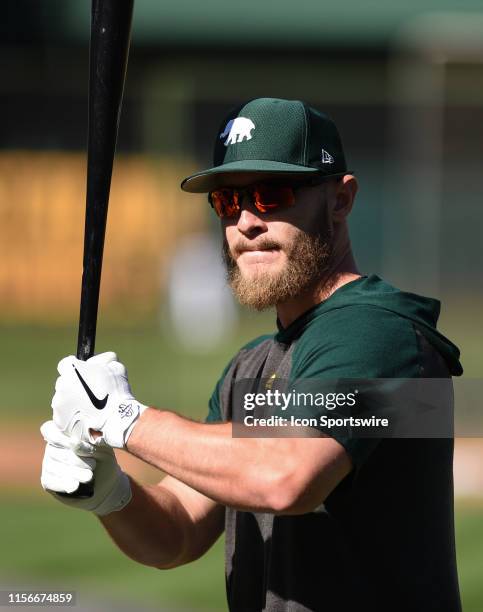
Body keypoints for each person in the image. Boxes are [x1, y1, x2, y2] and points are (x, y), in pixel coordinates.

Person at [40, 98, 463, 612]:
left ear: (341, 199)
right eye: (226, 202)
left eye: (270, 195)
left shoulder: (384, 334)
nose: (245, 222)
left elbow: (287, 478)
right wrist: (109, 492)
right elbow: (178, 531)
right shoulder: (253, 366)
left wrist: (125, 420)